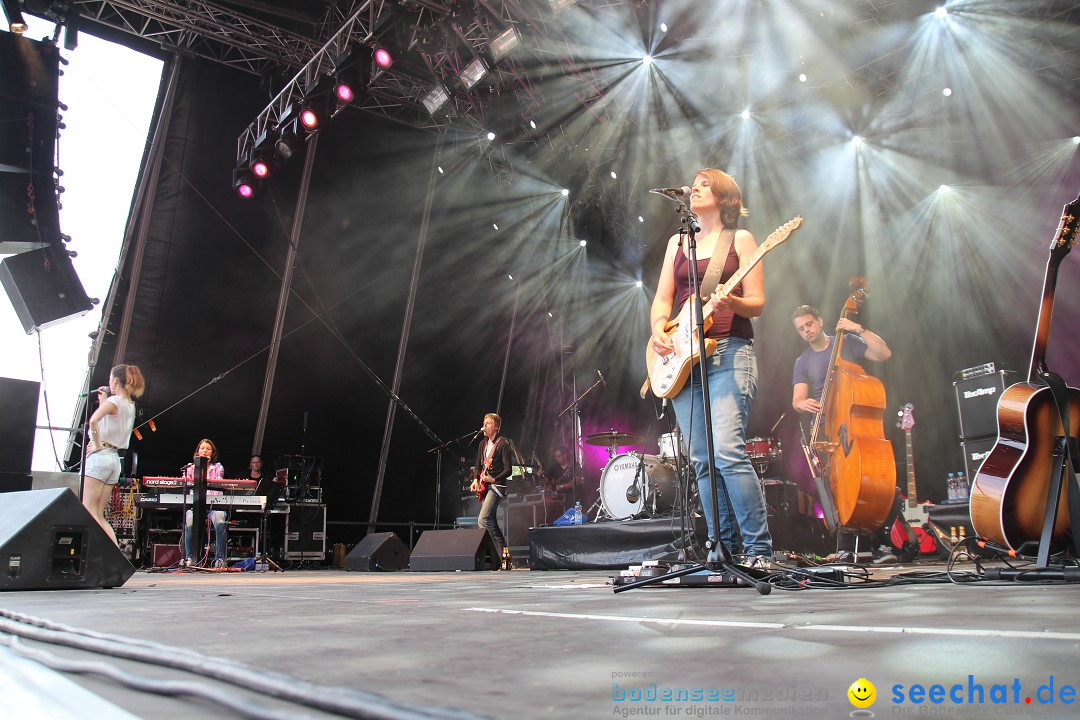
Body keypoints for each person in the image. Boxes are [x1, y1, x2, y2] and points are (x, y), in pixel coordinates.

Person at [648, 168, 772, 567]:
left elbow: (757, 302)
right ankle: (722, 549)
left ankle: (758, 550)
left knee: (728, 452)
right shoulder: (677, 242)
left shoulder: (740, 239)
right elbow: (663, 297)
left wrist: (730, 302)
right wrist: (656, 331)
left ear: (723, 197)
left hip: (729, 352)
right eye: (694, 184)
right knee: (700, 458)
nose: (695, 188)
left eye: (703, 184)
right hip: (683, 359)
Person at [790, 304, 899, 564]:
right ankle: (845, 548)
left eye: (809, 324)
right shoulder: (802, 361)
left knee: (879, 483)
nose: (806, 330)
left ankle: (882, 544)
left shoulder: (847, 341)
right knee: (836, 488)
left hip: (853, 427)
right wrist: (802, 404)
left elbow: (884, 354)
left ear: (820, 321)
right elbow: (797, 399)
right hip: (827, 432)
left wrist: (858, 328)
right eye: (801, 328)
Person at [83, 364, 146, 545]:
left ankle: (99, 555)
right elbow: (111, 422)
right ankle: (115, 554)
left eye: (111, 378)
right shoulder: (129, 405)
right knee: (99, 514)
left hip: (100, 457)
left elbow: (94, 421)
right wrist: (104, 401)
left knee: (89, 510)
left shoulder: (115, 402)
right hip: (114, 460)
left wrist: (96, 444)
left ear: (116, 381)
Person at [471, 412, 511, 564]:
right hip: (484, 486)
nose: (484, 426)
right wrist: (475, 480)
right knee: (491, 523)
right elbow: (477, 465)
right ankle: (504, 558)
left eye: (488, 423)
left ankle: (488, 556)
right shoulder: (482, 444)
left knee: (483, 519)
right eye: (484, 422)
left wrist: (494, 479)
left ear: (496, 427)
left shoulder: (503, 444)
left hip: (497, 486)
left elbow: (508, 469)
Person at [182, 438, 228, 567]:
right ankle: (189, 558)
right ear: (198, 451)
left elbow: (217, 482)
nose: (205, 451)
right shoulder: (190, 467)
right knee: (189, 520)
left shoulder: (218, 467)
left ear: (212, 453)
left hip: (214, 504)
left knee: (220, 518)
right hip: (196, 504)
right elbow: (185, 482)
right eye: (202, 448)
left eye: (208, 449)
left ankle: (220, 559)